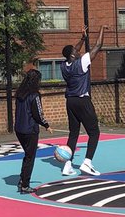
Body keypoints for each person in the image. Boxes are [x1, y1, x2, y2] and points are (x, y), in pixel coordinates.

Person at [60, 25, 106, 176]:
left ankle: (67, 164)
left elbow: (72, 52)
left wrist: (82, 39)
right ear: (73, 55)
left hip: (70, 101)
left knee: (73, 133)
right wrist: (101, 29)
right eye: (75, 50)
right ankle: (87, 163)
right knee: (94, 132)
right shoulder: (82, 62)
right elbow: (98, 46)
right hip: (82, 100)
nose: (78, 50)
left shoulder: (63, 65)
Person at [13, 68, 53, 193]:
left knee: (27, 155)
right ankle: (25, 184)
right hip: (30, 129)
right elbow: (38, 113)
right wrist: (46, 124)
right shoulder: (35, 95)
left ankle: (22, 179)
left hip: (19, 129)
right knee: (30, 157)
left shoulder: (19, 94)